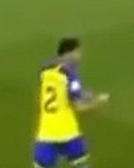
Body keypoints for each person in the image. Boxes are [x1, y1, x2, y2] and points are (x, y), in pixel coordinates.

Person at [33, 37, 109, 168]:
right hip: (68, 132)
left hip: (46, 133)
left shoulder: (46, 70)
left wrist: (85, 95)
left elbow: (61, 92)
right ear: (69, 53)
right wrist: (97, 103)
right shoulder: (70, 73)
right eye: (77, 53)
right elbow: (79, 107)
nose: (80, 57)